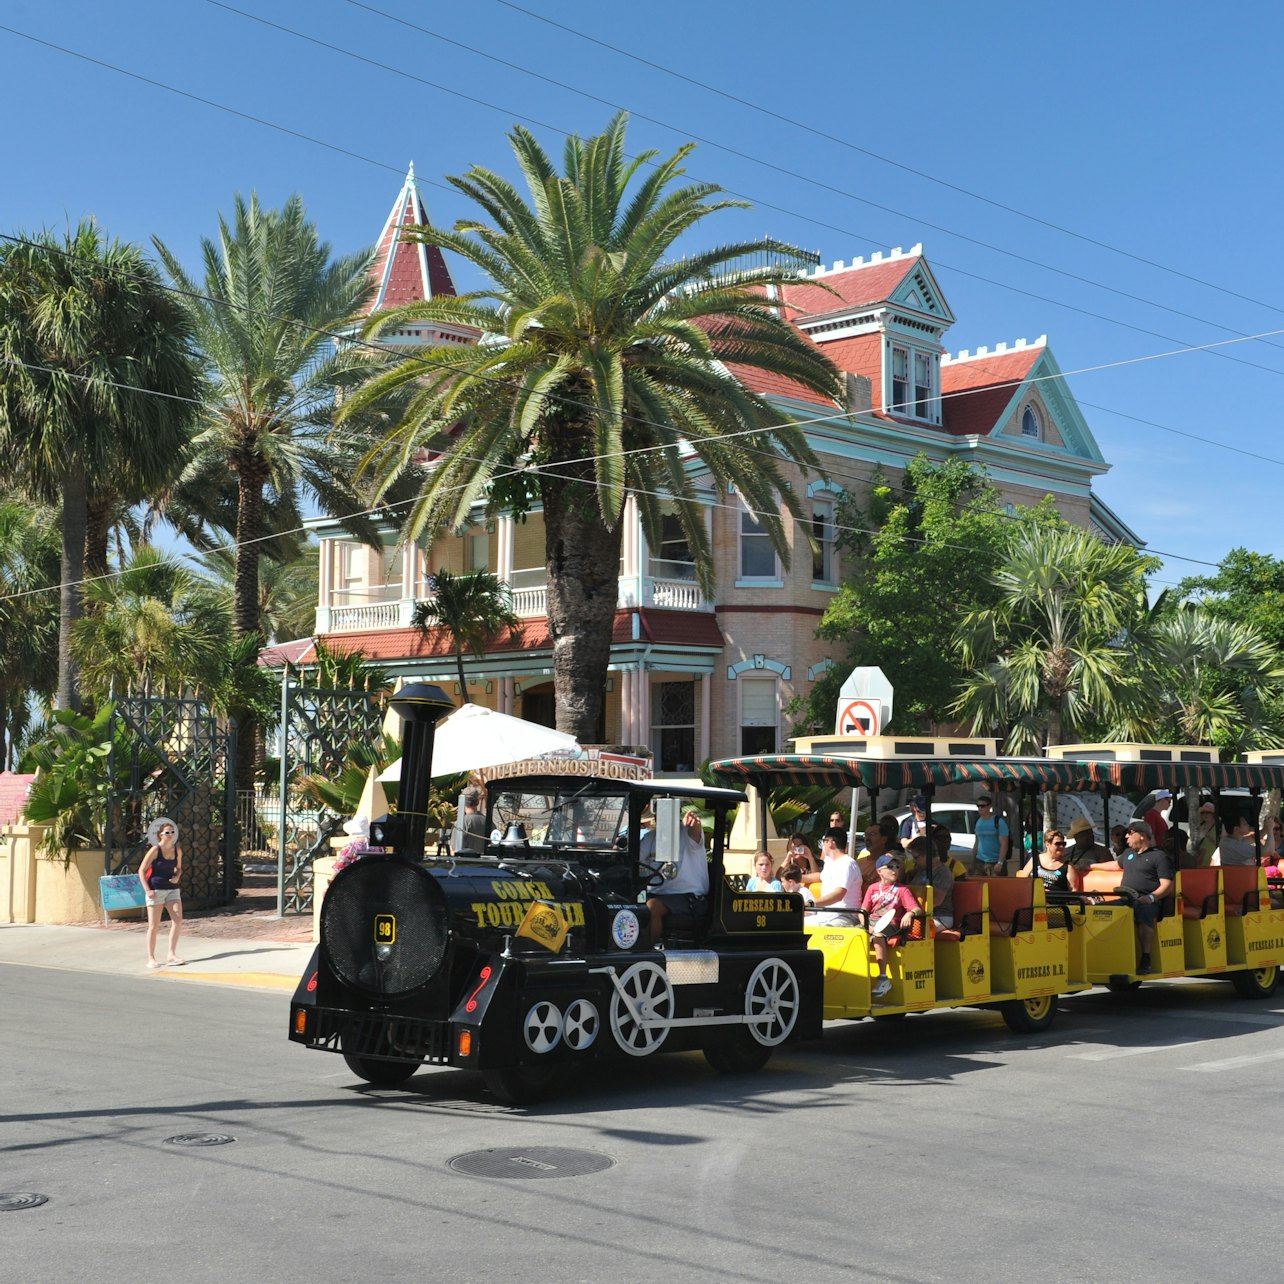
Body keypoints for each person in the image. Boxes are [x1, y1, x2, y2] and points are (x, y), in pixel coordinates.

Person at [1089, 819, 1174, 974]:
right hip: (1125, 898)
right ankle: (1107, 956)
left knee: (1144, 912)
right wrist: (1091, 866)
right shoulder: (1128, 854)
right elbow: (1115, 865)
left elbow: (1167, 885)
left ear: (1142, 835)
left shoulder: (1159, 857)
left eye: (1130, 833)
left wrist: (1150, 898)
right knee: (1099, 910)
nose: (1126, 837)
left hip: (1147, 900)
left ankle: (1146, 957)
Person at [645, 808, 710, 944]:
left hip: (688, 897)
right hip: (656, 892)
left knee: (652, 907)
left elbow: (695, 834)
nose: (662, 817)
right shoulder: (651, 837)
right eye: (659, 811)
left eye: (667, 809)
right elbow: (636, 860)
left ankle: (648, 951)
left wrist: (695, 825)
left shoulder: (686, 832)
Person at [862, 854, 920, 998]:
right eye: (890, 867)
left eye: (897, 867)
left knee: (878, 935)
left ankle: (883, 978)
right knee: (853, 934)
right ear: (879, 871)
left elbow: (917, 908)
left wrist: (909, 914)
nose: (894, 870)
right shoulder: (872, 888)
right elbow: (863, 911)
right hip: (871, 922)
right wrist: (865, 926)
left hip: (891, 923)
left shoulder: (902, 889)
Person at [138, 817, 184, 969]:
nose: (170, 834)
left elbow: (178, 868)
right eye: (167, 832)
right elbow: (142, 870)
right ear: (160, 835)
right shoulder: (155, 850)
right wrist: (147, 890)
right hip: (156, 890)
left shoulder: (177, 850)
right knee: (154, 926)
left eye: (172, 832)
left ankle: (171, 954)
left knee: (178, 920)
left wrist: (177, 876)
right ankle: (151, 957)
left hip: (172, 889)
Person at [807, 827, 862, 926]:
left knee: (826, 932)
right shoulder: (829, 862)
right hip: (825, 915)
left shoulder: (847, 863)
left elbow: (839, 894)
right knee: (794, 924)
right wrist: (798, 878)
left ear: (831, 842)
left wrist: (811, 904)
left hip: (844, 915)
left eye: (824, 841)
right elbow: (821, 876)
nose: (822, 845)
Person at [907, 829, 954, 928]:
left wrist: (912, 911)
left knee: (914, 930)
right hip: (918, 914)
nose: (914, 862)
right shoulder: (921, 871)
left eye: (916, 858)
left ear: (927, 855)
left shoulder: (942, 873)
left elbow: (935, 901)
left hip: (940, 917)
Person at [1018, 829, 1081, 895]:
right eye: (1058, 844)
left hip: (1056, 902)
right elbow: (1023, 880)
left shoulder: (1068, 866)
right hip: (1035, 899)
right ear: (1047, 844)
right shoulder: (1035, 859)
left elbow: (1073, 890)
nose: (1061, 846)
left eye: (1063, 844)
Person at [972, 793, 1010, 876]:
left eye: (982, 806)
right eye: (978, 806)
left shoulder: (999, 822)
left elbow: (1004, 844)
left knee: (997, 888)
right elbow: (977, 842)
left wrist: (1000, 862)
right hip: (980, 862)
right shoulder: (978, 822)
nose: (980, 808)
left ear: (989, 807)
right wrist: (973, 862)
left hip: (995, 862)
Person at [454, 786, 488, 853]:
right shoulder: (488, 822)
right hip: (485, 862)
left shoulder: (460, 823)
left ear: (462, 800)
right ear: (478, 801)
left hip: (465, 862)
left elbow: (454, 851)